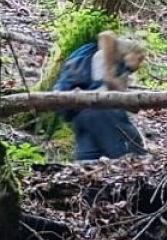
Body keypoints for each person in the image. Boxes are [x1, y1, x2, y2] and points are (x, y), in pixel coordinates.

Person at [59, 30, 148, 161]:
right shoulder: (112, 53)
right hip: (102, 111)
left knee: (88, 159)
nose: (139, 65)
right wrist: (109, 73)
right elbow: (105, 35)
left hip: (80, 113)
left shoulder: (121, 68)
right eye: (140, 59)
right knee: (132, 153)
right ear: (134, 53)